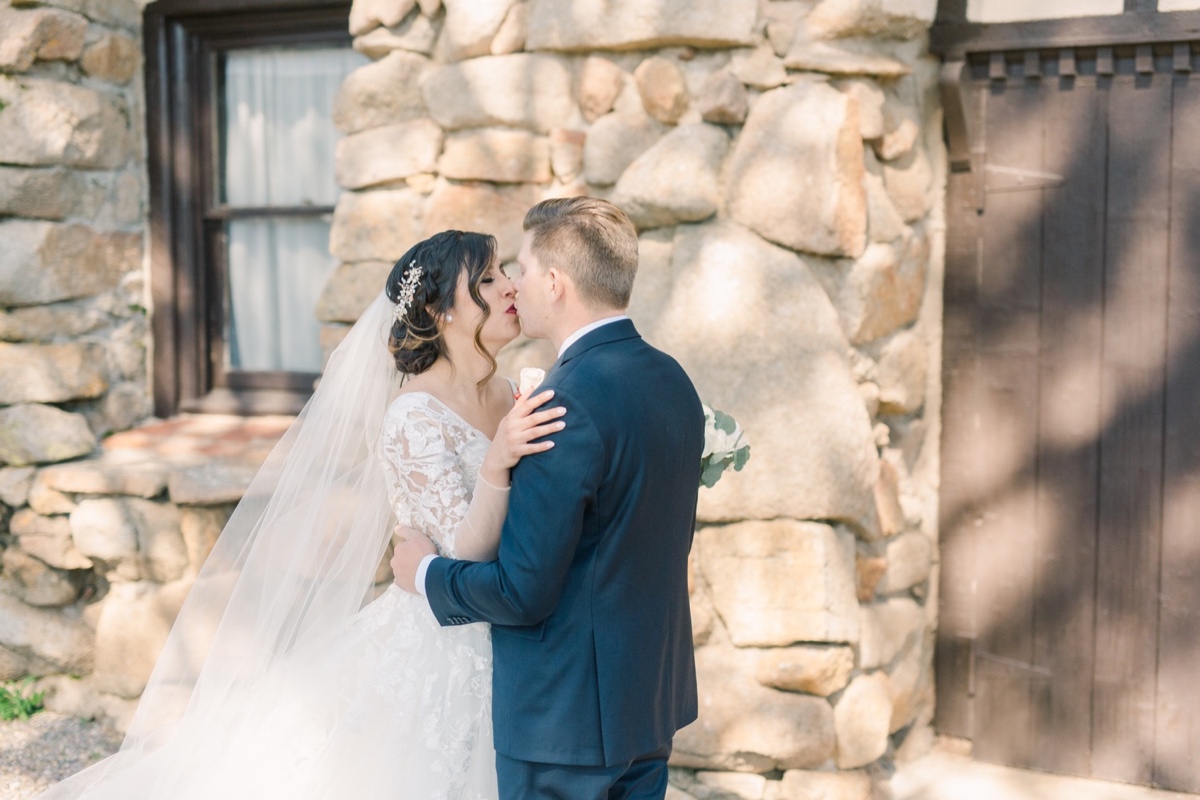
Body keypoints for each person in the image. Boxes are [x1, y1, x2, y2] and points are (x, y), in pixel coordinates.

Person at [33, 230, 565, 800]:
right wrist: (500, 460)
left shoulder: (514, 394)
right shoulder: (414, 416)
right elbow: (462, 554)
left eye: (506, 271)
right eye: (488, 279)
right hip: (442, 642)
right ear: (440, 312)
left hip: (513, 633)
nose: (510, 286)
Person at [392, 198, 705, 800]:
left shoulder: (560, 406)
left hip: (564, 726)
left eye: (523, 271)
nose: (514, 286)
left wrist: (424, 572)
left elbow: (522, 591)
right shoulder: (671, 378)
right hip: (647, 705)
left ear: (556, 284)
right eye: (495, 276)